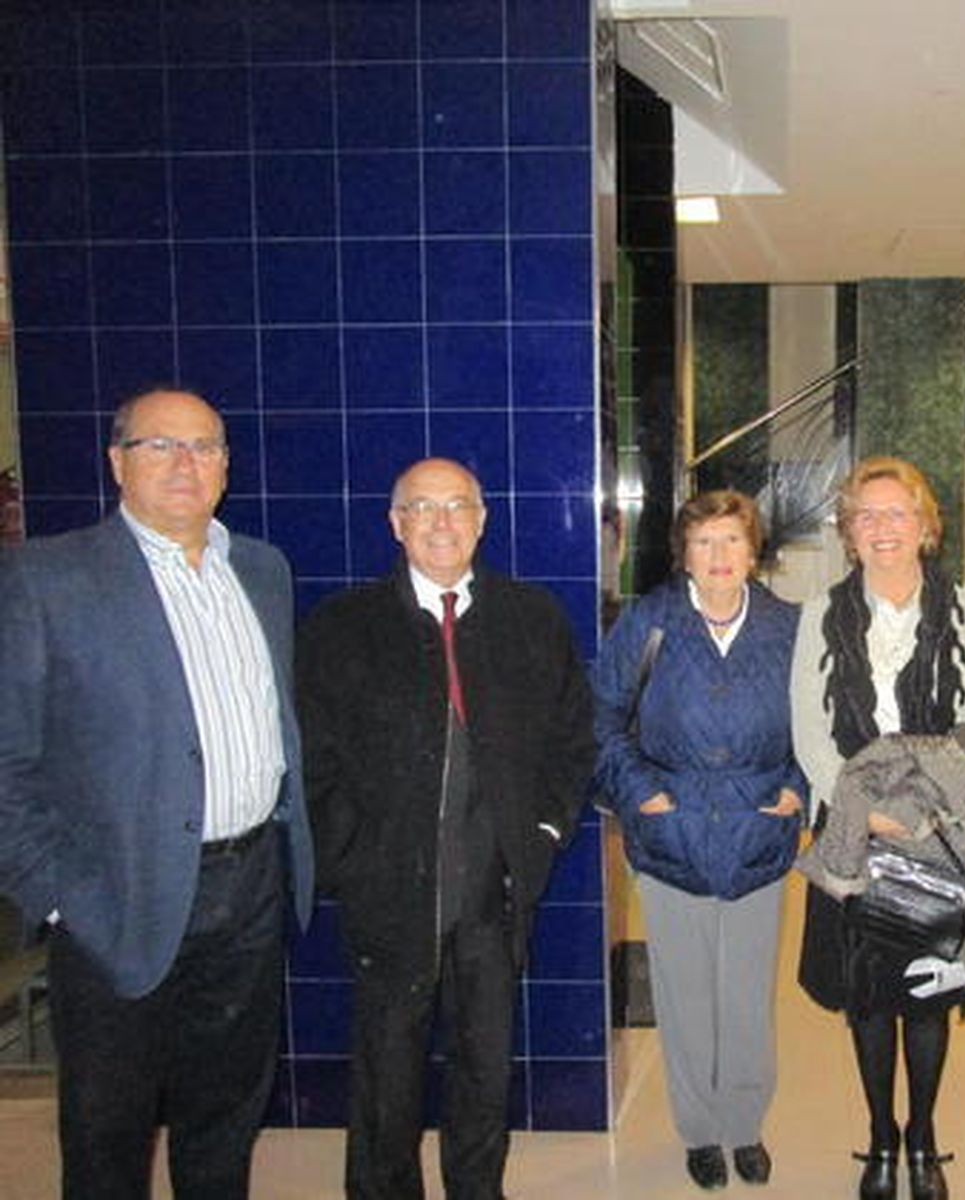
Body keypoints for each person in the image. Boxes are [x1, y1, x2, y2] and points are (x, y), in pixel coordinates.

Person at [0, 387, 314, 1199]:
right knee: (109, 1132)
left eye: (205, 447)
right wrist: (62, 899)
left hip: (249, 891)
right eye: (160, 446)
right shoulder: (48, 579)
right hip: (118, 896)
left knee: (225, 1118)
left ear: (226, 466)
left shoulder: (263, 569)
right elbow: (8, 759)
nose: (186, 464)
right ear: (117, 462)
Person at [296, 458, 595, 1200]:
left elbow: (572, 741)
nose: (440, 522)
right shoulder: (342, 628)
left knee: (484, 1073)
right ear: (395, 524)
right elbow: (311, 760)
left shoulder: (533, 619)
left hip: (493, 898)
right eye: (421, 508)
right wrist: (353, 864)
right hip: (390, 898)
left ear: (483, 519)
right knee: (386, 1083)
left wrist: (545, 836)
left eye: (456, 505)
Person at [791, 457, 965, 1200]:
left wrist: (924, 808)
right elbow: (809, 732)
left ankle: (923, 1137)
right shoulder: (821, 611)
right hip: (856, 833)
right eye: (866, 516)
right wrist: (865, 811)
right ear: (849, 533)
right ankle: (880, 1138)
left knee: (926, 996)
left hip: (939, 830)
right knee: (869, 996)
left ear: (925, 525)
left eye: (897, 513)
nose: (882, 528)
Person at [591, 490, 805, 1191]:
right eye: (704, 543)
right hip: (672, 832)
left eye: (733, 541)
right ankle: (699, 1132)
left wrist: (797, 787)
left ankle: (744, 1126)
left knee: (746, 995)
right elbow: (602, 718)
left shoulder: (789, 627)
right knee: (685, 998)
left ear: (754, 550)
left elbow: (821, 719)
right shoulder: (649, 622)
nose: (719, 557)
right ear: (683, 552)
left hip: (757, 831)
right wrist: (640, 793)